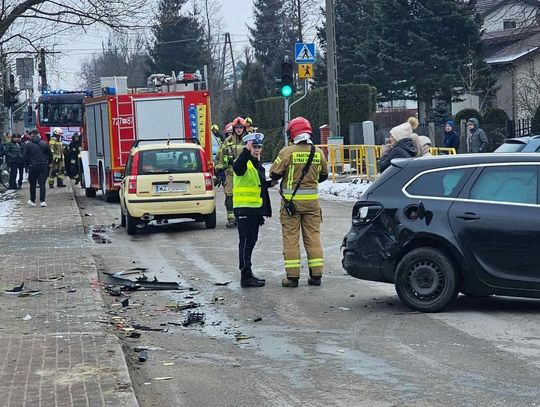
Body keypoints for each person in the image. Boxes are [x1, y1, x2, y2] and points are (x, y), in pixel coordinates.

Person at [270, 117, 329, 287]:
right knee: (313, 238)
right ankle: (316, 276)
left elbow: (274, 173)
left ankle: (292, 277)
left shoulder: (287, 152)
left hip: (291, 204)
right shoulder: (317, 152)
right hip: (312, 204)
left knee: (291, 239)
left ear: (293, 133)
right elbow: (324, 175)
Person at [233, 132, 272, 288]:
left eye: (259, 147)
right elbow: (237, 168)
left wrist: (270, 183)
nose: (257, 150)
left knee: (251, 241)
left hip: (254, 210)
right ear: (248, 146)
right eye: (254, 147)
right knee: (246, 242)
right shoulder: (243, 162)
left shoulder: (255, 164)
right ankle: (245, 275)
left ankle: (248, 273)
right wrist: (246, 151)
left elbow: (256, 185)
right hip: (244, 209)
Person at [215, 117, 247, 228]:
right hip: (230, 174)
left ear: (244, 128)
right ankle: (231, 219)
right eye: (237, 127)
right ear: (233, 128)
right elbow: (220, 157)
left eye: (241, 127)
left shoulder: (248, 140)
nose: (239, 129)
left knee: (243, 196)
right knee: (229, 197)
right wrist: (219, 170)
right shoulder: (227, 141)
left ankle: (243, 217)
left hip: (244, 175)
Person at [23, 129, 52, 207]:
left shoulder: (28, 145)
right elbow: (50, 154)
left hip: (32, 166)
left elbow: (24, 156)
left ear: (31, 135)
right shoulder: (44, 143)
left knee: (32, 184)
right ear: (38, 134)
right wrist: (48, 163)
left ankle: (32, 200)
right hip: (43, 166)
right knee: (42, 184)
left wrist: (28, 164)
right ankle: (42, 201)